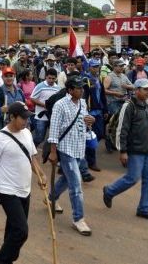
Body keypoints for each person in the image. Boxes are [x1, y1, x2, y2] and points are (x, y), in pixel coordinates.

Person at [0, 102, 47, 264]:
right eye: (23, 118)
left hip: (25, 189)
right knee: (21, 231)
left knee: (12, 228)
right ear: (12, 117)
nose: (26, 121)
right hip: (7, 190)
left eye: (27, 118)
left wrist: (41, 174)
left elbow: (32, 157)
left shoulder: (26, 133)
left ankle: (7, 260)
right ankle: (0, 259)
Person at [103, 78, 148, 222]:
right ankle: (109, 191)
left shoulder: (146, 105)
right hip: (135, 150)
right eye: (145, 89)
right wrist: (122, 151)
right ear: (137, 90)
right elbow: (121, 130)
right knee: (132, 178)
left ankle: (144, 209)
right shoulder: (128, 106)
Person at [47, 76, 95, 236]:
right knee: (76, 184)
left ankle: (51, 197)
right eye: (78, 88)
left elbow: (84, 122)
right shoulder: (60, 105)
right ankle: (78, 219)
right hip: (65, 148)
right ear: (70, 90)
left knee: (67, 179)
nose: (81, 90)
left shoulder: (82, 103)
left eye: (82, 88)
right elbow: (53, 129)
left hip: (79, 147)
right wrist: (53, 152)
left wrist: (90, 121)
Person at [104, 59, 134, 152]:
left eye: (123, 66)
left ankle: (115, 143)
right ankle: (109, 144)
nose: (122, 68)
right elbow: (104, 90)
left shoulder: (124, 76)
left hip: (123, 102)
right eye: (120, 66)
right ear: (115, 67)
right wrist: (115, 93)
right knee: (112, 123)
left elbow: (133, 86)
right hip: (113, 102)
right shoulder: (109, 77)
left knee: (120, 124)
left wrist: (126, 86)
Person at [30, 68, 60, 149]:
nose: (51, 80)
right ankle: (30, 149)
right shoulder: (40, 86)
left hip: (52, 118)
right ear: (46, 77)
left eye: (53, 78)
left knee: (53, 139)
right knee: (39, 138)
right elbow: (32, 98)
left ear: (56, 78)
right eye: (49, 78)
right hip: (40, 117)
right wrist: (45, 105)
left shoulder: (58, 88)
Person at [0, 67, 26, 131]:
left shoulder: (20, 91)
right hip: (4, 129)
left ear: (14, 77)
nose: (9, 78)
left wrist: (27, 125)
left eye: (11, 76)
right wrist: (1, 110)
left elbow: (25, 109)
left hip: (19, 128)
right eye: (6, 76)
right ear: (2, 77)